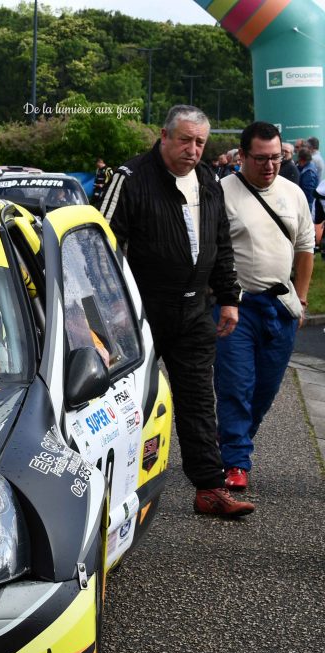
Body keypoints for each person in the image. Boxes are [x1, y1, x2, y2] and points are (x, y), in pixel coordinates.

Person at [99, 104, 254, 517]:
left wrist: (229, 298)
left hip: (194, 311)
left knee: (199, 402)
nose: (193, 149)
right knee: (126, 405)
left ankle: (209, 488)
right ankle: (109, 494)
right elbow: (100, 249)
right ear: (164, 136)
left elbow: (221, 244)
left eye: (200, 142)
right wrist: (108, 310)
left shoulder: (208, 181)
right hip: (137, 317)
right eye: (184, 139)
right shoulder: (129, 178)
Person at [214, 121, 314, 492]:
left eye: (276, 158)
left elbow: (305, 249)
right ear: (242, 157)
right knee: (236, 385)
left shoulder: (293, 194)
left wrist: (301, 298)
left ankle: (233, 439)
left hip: (281, 306)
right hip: (236, 307)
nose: (270, 166)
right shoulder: (221, 192)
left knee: (265, 389)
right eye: (260, 159)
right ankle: (237, 462)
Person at [296, 148, 319, 215]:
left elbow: (308, 191)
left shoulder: (309, 172)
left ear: (302, 160)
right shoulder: (309, 166)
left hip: (308, 203)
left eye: (299, 160)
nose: (298, 161)